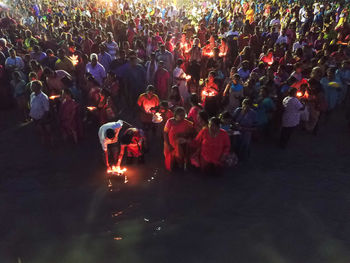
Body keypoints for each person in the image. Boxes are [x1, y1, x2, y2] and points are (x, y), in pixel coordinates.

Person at [163, 107, 195, 171]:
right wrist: (168, 144)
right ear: (175, 115)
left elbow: (192, 131)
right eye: (180, 115)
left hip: (180, 144)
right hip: (170, 144)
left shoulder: (186, 123)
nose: (183, 117)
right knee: (172, 163)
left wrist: (185, 136)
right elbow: (165, 133)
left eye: (183, 115)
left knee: (180, 159)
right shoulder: (170, 121)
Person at [29, 80, 52, 145]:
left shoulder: (44, 97)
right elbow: (31, 105)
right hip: (35, 118)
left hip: (42, 118)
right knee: (40, 132)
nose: (31, 88)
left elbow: (46, 110)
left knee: (46, 132)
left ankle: (50, 144)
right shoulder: (32, 95)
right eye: (31, 86)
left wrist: (41, 121)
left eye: (33, 86)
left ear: (38, 87)